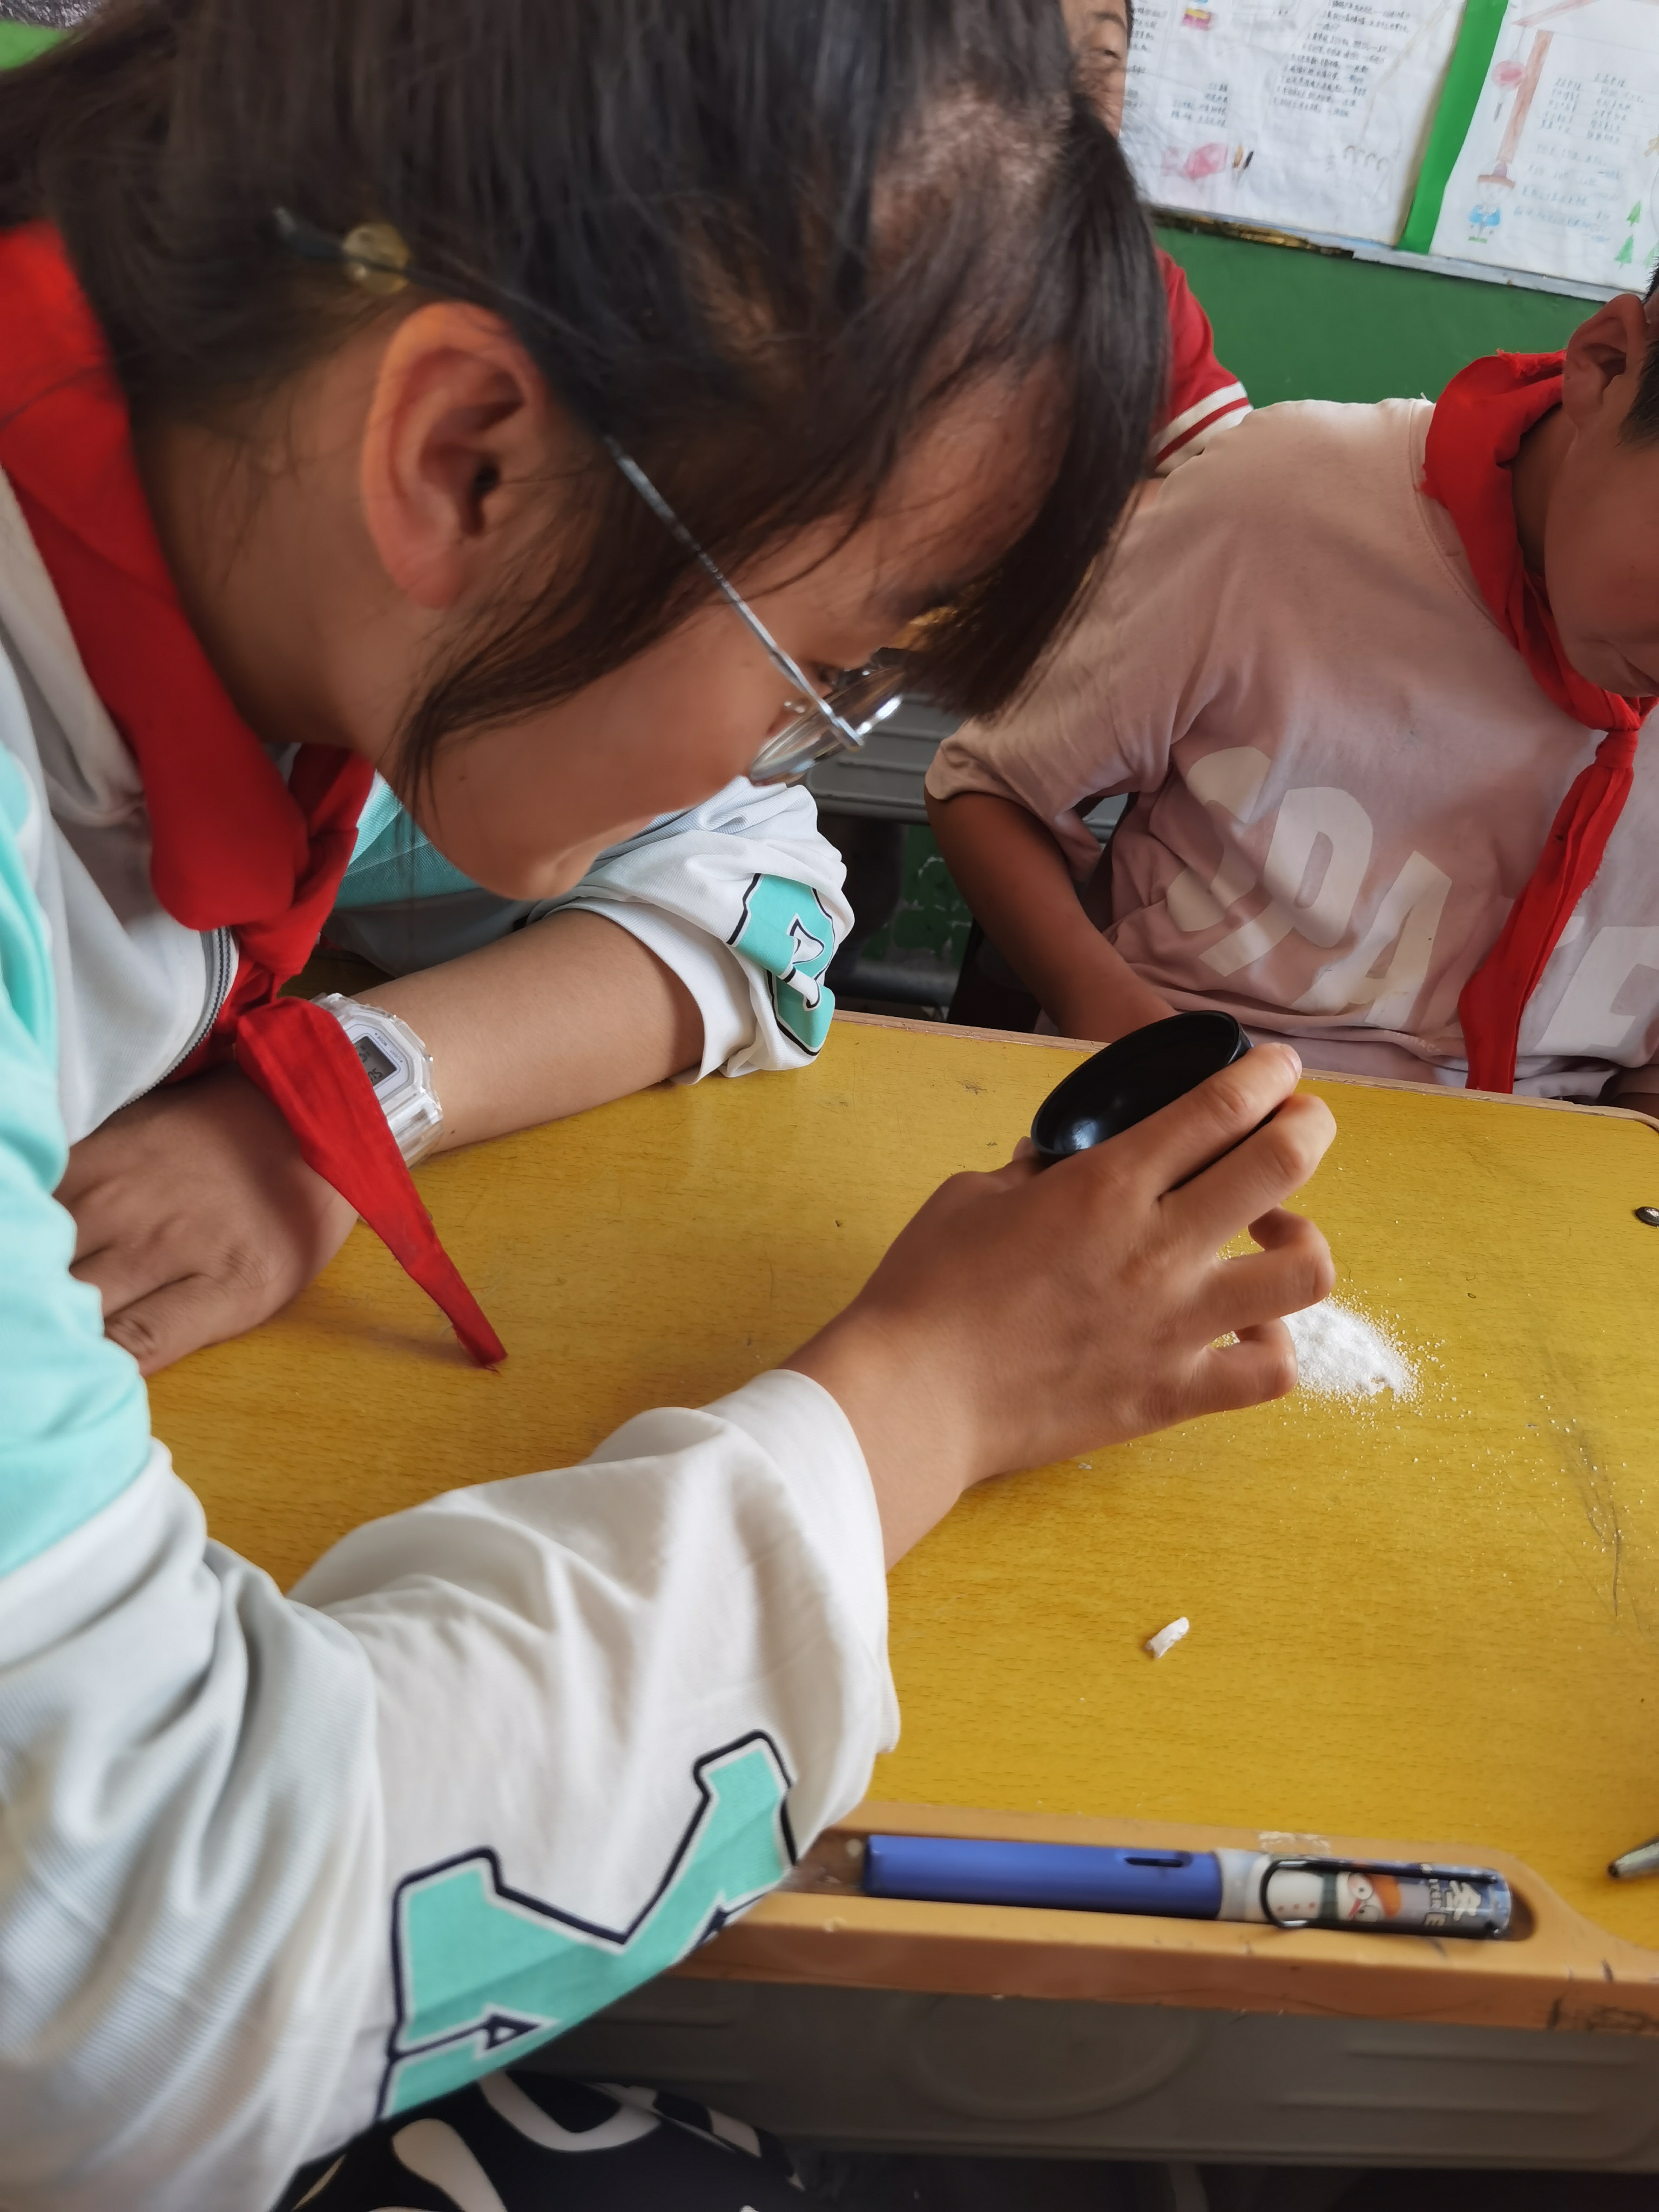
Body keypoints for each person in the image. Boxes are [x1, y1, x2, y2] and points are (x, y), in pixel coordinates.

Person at [0, 3, 1336, 2207]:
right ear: (467, 459)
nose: (799, 741)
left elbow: (764, 892)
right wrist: (920, 1397)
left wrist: (350, 1092)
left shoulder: (225, 544)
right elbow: (140, 1989)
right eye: (836, 659)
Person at [927, 286, 1659, 1116]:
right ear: (1607, 365)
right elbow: (989, 789)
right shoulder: (1283, 505)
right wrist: (1108, 1014)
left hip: (1552, 1154)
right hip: (1194, 1092)